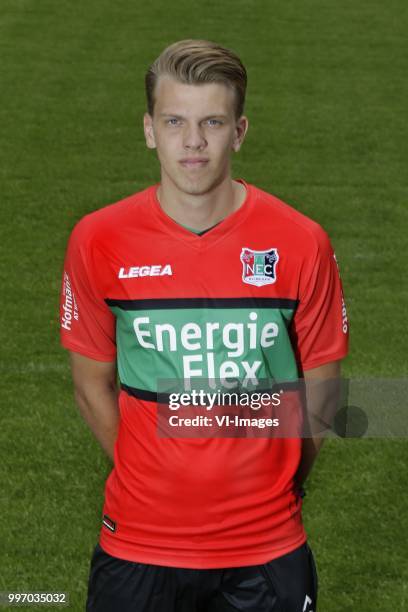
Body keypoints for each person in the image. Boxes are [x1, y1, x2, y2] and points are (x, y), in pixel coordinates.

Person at [59, 39, 349, 612]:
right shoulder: (98, 240)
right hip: (137, 548)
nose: (193, 142)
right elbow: (91, 383)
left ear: (239, 131)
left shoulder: (300, 242)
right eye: (175, 121)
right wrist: (148, 476)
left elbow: (324, 390)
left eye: (212, 122)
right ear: (149, 129)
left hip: (266, 550)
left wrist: (281, 480)